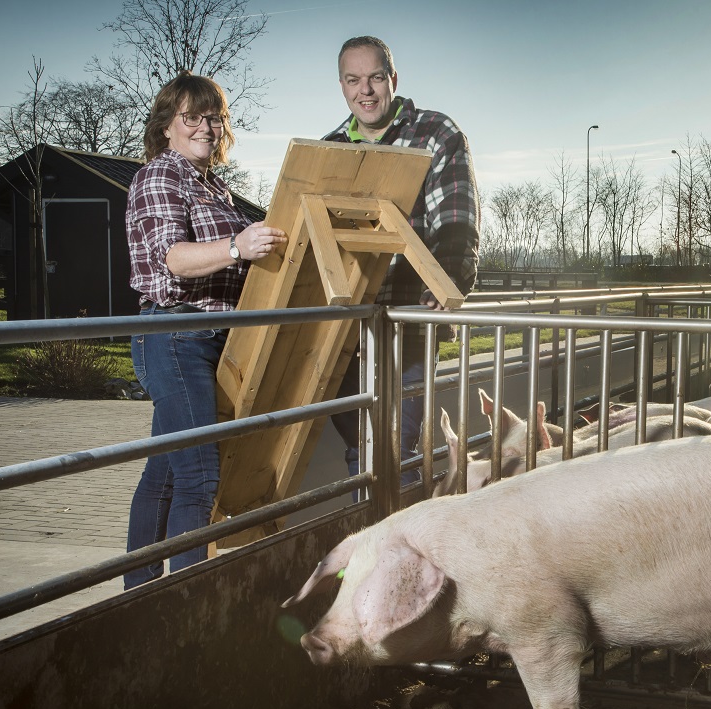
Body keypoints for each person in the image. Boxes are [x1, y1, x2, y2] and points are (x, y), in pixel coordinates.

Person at [124, 72, 287, 589]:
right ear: (167, 126)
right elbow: (173, 259)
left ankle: (140, 597)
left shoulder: (213, 185)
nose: (205, 127)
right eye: (191, 117)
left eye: (213, 117)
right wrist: (237, 247)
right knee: (199, 478)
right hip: (176, 335)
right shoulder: (159, 177)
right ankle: (184, 600)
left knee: (167, 475)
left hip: (211, 337)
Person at [324, 35, 480, 489]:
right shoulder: (330, 148)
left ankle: (405, 556)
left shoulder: (435, 134)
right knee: (359, 445)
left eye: (375, 77)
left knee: (397, 445)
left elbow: (455, 215)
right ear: (342, 85)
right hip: (346, 324)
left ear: (393, 79)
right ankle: (374, 556)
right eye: (353, 80)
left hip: (409, 316)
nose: (365, 91)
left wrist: (449, 277)